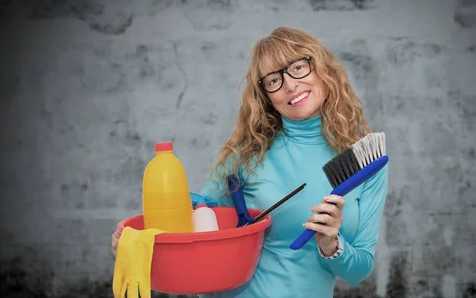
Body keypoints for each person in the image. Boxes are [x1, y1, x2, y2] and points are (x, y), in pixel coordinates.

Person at [111, 26, 389, 298]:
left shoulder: (365, 161)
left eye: (298, 67)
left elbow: (358, 271)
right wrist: (140, 241)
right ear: (267, 96)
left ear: (321, 67)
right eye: (273, 80)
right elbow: (200, 216)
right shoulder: (249, 153)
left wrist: (331, 243)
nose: (290, 85)